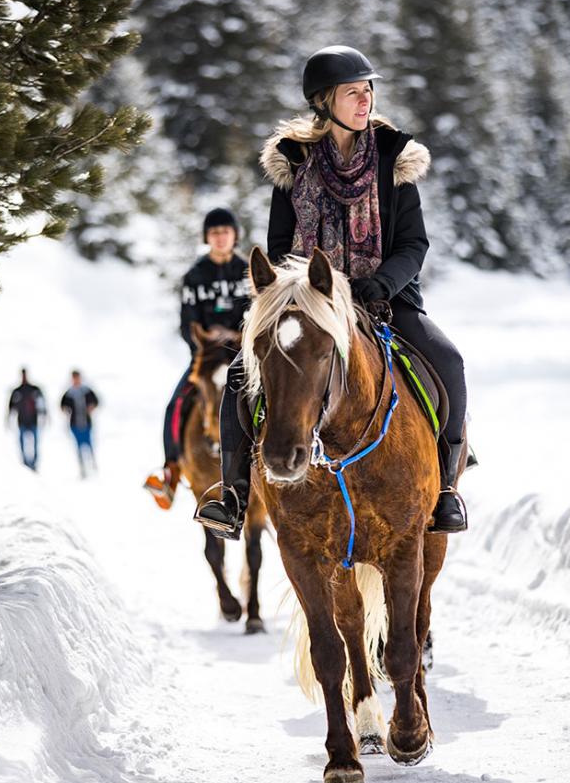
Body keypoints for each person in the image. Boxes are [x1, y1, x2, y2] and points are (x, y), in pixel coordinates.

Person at [197, 45, 469, 539]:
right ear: (325, 101)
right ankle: (234, 495)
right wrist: (304, 292)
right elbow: (281, 247)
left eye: (368, 90)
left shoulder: (394, 159)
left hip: (383, 300)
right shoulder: (292, 164)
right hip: (309, 305)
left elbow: (414, 243)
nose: (364, 100)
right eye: (352, 92)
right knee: (240, 375)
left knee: (448, 360)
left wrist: (379, 283)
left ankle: (446, 487)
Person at [144, 208, 251, 509]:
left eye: (225, 232)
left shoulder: (247, 271)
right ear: (207, 237)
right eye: (214, 232)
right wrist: (203, 348)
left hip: (242, 356)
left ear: (234, 235)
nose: (220, 237)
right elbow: (186, 322)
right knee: (175, 404)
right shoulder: (194, 276)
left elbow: (256, 315)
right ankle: (171, 472)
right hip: (205, 357)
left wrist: (237, 339)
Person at [61, 370, 99, 477]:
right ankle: (82, 467)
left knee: (89, 444)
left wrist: (91, 407)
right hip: (75, 424)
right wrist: (66, 410)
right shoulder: (69, 393)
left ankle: (93, 464)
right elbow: (62, 405)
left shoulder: (86, 390)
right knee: (78, 446)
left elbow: (96, 401)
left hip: (86, 422)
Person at [8, 368, 47, 471]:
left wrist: (44, 415)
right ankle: (25, 462)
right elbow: (11, 407)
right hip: (22, 422)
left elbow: (42, 403)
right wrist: (8, 418)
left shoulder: (34, 389)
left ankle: (34, 463)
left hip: (33, 421)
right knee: (21, 442)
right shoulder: (17, 391)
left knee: (35, 443)